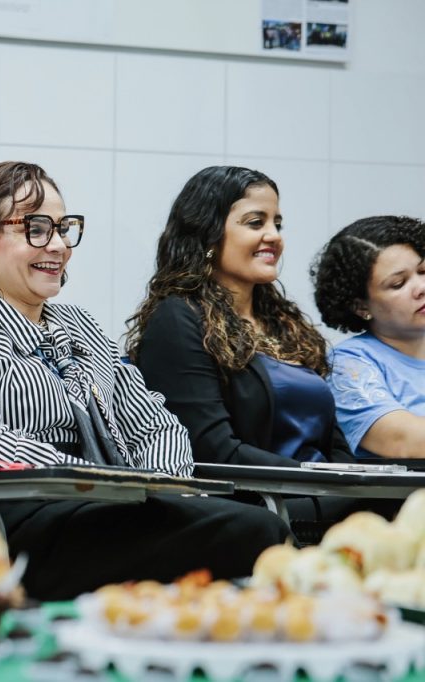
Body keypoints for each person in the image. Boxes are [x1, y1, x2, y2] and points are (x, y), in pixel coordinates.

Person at [0, 161, 290, 600]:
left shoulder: (80, 325)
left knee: (255, 527)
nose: (58, 245)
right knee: (251, 530)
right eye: (35, 229)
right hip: (14, 522)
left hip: (112, 508)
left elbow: (155, 425)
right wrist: (104, 481)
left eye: (63, 228)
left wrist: (154, 487)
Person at [126, 166, 394, 540]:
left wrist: (347, 480)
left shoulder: (284, 323)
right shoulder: (178, 318)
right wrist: (325, 481)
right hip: (255, 506)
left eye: (277, 223)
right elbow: (211, 450)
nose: (274, 236)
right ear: (208, 233)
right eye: (256, 223)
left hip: (318, 496)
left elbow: (332, 442)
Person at [312, 215, 425, 459]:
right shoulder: (347, 365)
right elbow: (403, 441)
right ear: (361, 307)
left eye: (423, 271)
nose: (421, 288)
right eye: (398, 283)